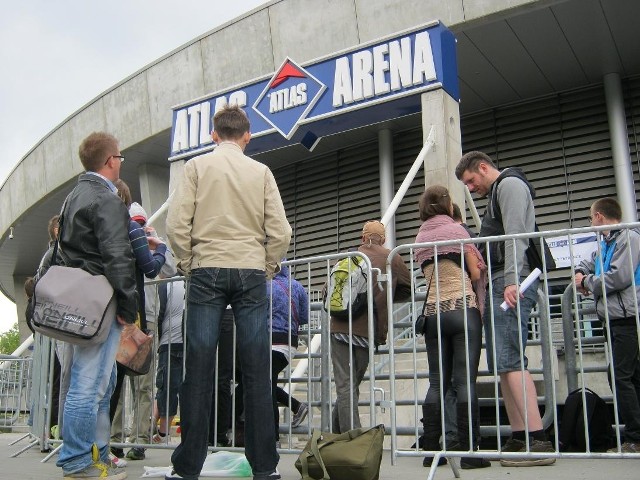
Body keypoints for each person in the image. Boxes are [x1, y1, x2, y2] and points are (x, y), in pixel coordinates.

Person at [166, 104, 291, 480]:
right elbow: (281, 232)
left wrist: (189, 263)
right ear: (248, 136)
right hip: (252, 269)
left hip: (206, 267)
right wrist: (267, 266)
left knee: (199, 369)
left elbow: (176, 224)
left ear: (213, 135)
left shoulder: (196, 168)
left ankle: (188, 467)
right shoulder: (262, 171)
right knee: (256, 369)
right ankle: (265, 469)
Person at [455, 151, 555, 467]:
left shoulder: (509, 186)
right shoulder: (504, 189)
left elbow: (515, 235)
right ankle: (520, 434)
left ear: (483, 168)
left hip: (511, 281)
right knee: (504, 360)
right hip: (506, 280)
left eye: (471, 180)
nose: (471, 188)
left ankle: (535, 438)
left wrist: (512, 280)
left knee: (510, 357)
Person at [55, 132, 137, 480]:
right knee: (90, 385)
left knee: (94, 384)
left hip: (80, 302)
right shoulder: (106, 199)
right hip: (102, 301)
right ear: (110, 161)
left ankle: (95, 457)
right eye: (119, 157)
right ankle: (77, 462)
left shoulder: (73, 197)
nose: (120, 163)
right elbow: (118, 256)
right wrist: (129, 306)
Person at [414, 185, 489, 469]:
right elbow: (473, 271)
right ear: (446, 204)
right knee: (465, 381)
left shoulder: (421, 236)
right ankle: (471, 453)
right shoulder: (459, 232)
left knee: (437, 383)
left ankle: (432, 451)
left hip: (433, 313)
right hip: (462, 307)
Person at [330, 220, 411, 433]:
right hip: (367, 331)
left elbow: (327, 292)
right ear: (383, 239)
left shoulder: (348, 257)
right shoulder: (391, 258)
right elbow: (408, 287)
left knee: (345, 386)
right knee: (351, 384)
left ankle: (338, 434)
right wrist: (386, 296)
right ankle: (352, 437)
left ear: (362, 238)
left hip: (338, 327)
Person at [574, 198, 640, 453]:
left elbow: (618, 278)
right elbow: (590, 263)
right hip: (615, 319)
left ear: (599, 217)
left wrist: (587, 282)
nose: (590, 224)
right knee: (629, 375)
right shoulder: (609, 243)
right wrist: (582, 273)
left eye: (591, 219)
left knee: (621, 376)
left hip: (626, 318)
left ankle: (635, 436)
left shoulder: (628, 239)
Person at [109, 186, 167, 464]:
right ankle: (117, 439)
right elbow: (154, 268)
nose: (140, 229)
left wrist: (156, 242)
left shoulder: (142, 241)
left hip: (145, 320)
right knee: (120, 382)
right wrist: (158, 249)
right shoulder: (125, 236)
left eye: (144, 225)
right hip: (131, 318)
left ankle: (139, 440)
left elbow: (169, 272)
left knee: (141, 385)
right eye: (138, 225)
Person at [270, 261, 310, 445]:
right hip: (290, 344)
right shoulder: (297, 286)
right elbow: (304, 317)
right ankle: (296, 406)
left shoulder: (264, 286)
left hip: (268, 341)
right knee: (266, 384)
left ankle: (273, 437)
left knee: (263, 386)